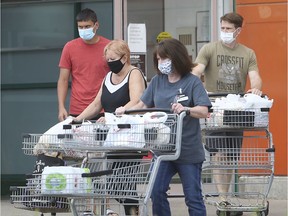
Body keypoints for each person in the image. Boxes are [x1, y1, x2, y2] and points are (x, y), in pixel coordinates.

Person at [116, 38, 211, 216]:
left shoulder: (192, 82)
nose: (161, 63)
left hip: (188, 151)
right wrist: (125, 111)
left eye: (164, 59)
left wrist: (187, 109)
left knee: (193, 197)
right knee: (156, 191)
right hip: (163, 151)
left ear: (176, 58)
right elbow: (142, 106)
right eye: (158, 60)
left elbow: (204, 110)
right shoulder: (157, 82)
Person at [192, 12, 263, 216]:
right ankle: (223, 198)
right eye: (222, 28)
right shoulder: (209, 49)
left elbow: (255, 77)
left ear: (238, 30)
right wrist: (197, 86)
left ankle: (225, 197)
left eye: (228, 29)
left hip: (236, 109)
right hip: (215, 108)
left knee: (231, 156)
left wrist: (256, 88)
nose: (224, 32)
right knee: (218, 154)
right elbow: (198, 70)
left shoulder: (247, 53)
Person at [74, 39, 147, 216]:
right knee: (115, 184)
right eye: (107, 59)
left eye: (113, 59)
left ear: (125, 57)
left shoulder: (134, 74)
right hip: (113, 139)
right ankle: (133, 210)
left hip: (129, 139)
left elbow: (136, 102)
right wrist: (77, 120)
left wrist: (111, 118)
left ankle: (133, 211)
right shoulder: (108, 77)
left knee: (124, 184)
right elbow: (97, 103)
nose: (110, 63)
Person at [57, 8, 110, 122]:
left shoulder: (109, 47)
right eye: (80, 27)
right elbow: (63, 80)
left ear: (96, 25)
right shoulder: (70, 47)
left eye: (87, 26)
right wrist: (61, 107)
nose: (83, 30)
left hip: (103, 108)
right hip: (77, 109)